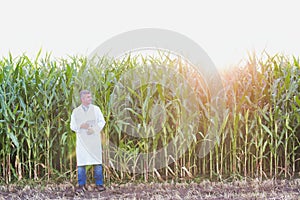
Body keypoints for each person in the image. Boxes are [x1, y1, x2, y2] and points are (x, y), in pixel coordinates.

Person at [70, 90, 106, 193]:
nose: (90, 99)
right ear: (82, 99)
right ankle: (81, 185)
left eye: (90, 97)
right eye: (88, 97)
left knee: (97, 163)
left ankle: (99, 184)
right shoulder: (76, 112)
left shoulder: (96, 109)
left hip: (94, 140)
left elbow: (102, 122)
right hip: (82, 141)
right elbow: (72, 126)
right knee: (82, 163)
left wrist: (94, 129)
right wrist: (81, 126)